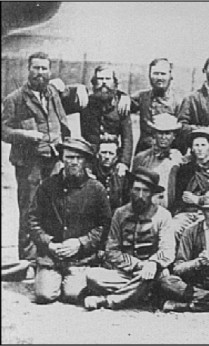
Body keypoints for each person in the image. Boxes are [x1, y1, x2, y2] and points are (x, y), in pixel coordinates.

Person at [2, 52, 74, 261]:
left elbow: (73, 94)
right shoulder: (14, 99)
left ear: (50, 72)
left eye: (44, 69)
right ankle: (28, 259)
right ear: (28, 69)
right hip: (29, 163)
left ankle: (48, 255)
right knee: (29, 210)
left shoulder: (53, 91)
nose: (40, 73)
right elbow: (3, 130)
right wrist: (25, 134)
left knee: (53, 206)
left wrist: (66, 87)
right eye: (36, 68)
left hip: (53, 159)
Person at [28, 138, 112, 304]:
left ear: (86, 162)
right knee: (45, 295)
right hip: (51, 257)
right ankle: (44, 273)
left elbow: (104, 226)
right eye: (69, 157)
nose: (74, 162)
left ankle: (75, 278)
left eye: (79, 158)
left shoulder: (96, 189)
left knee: (73, 295)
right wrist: (49, 243)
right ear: (62, 158)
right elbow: (32, 220)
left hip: (80, 258)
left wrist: (80, 243)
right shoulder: (47, 186)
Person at [83, 167, 175, 310]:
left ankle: (108, 300)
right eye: (136, 190)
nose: (140, 195)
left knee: (162, 279)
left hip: (153, 271)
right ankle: (140, 293)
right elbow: (112, 250)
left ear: (152, 194)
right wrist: (138, 265)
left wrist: (152, 263)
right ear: (130, 190)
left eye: (145, 191)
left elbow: (167, 249)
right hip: (125, 273)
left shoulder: (163, 216)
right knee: (92, 276)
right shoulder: (120, 214)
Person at [63, 65, 133, 177]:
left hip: (112, 159)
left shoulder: (121, 105)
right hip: (90, 160)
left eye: (108, 79)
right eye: (100, 79)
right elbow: (59, 97)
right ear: (94, 83)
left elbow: (127, 138)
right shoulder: (85, 101)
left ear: (115, 83)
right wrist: (76, 88)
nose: (104, 82)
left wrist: (124, 163)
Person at [132, 113, 185, 212]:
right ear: (154, 134)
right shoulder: (142, 158)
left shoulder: (177, 158)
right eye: (160, 133)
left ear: (174, 136)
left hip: (171, 211)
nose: (163, 137)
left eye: (168, 133)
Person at [130, 58, 182, 154]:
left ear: (171, 76)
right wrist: (122, 97)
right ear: (149, 76)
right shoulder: (142, 97)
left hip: (169, 157)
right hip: (143, 156)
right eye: (155, 73)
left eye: (163, 74)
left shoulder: (179, 103)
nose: (159, 78)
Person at [92, 138, 130, 212]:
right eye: (103, 152)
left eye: (111, 153)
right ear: (97, 155)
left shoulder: (122, 176)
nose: (107, 157)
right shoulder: (91, 174)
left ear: (116, 157)